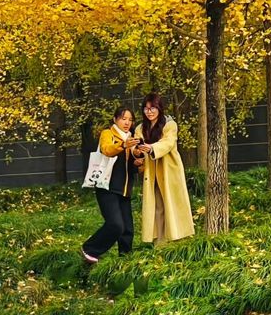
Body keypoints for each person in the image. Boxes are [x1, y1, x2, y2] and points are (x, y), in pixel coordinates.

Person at [81, 106, 143, 263]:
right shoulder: (108, 134)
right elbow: (107, 150)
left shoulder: (133, 138)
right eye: (123, 119)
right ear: (115, 119)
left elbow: (131, 168)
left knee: (128, 230)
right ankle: (89, 249)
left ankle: (125, 262)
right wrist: (123, 145)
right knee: (116, 225)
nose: (127, 122)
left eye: (130, 120)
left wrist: (138, 162)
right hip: (107, 187)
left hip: (124, 189)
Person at [134, 92, 195, 244]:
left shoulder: (170, 124)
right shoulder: (141, 128)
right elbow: (135, 147)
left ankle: (179, 239)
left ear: (159, 108)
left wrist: (151, 148)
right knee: (157, 206)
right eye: (146, 108)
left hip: (169, 170)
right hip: (151, 172)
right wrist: (137, 152)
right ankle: (160, 243)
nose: (149, 111)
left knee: (173, 203)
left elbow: (168, 143)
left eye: (153, 107)